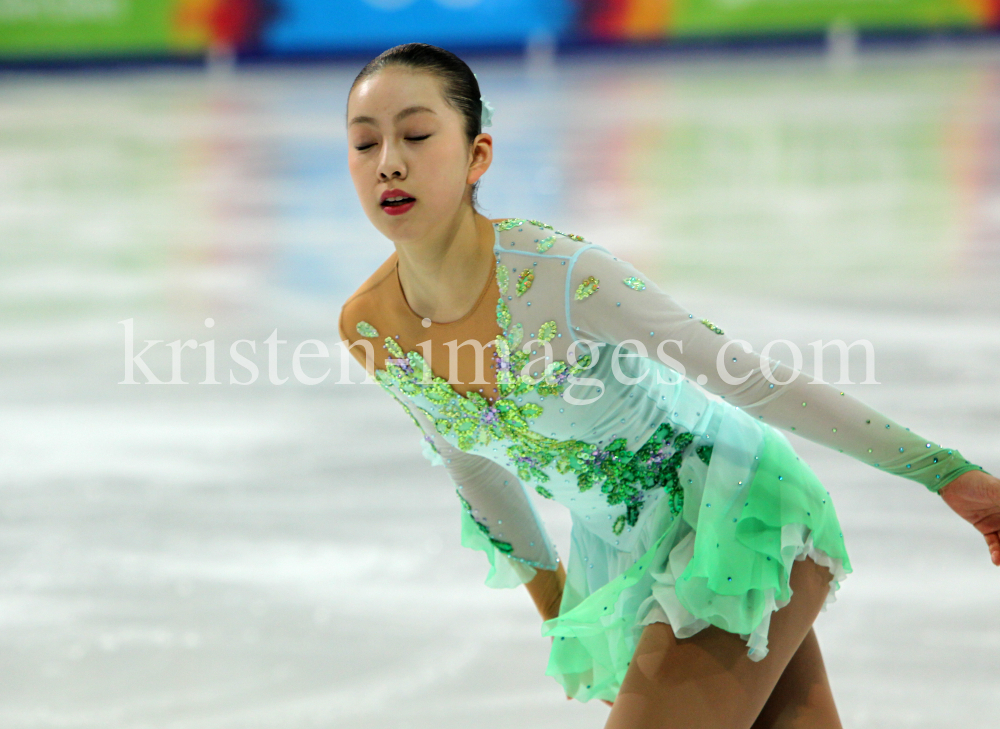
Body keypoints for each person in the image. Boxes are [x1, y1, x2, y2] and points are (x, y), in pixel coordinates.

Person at [336, 42, 1000, 728]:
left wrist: (943, 471)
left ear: (478, 155)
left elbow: (749, 380)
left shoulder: (562, 277)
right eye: (364, 143)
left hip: (739, 513)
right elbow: (473, 467)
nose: (389, 160)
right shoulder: (369, 327)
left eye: (416, 135)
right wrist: (564, 615)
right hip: (629, 562)